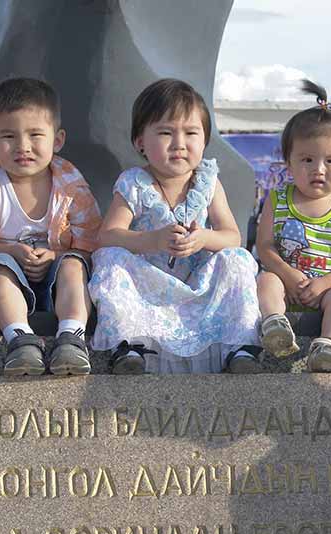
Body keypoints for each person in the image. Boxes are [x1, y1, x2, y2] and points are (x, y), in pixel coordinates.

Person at [89, 78, 261, 374]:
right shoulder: (134, 182)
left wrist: (204, 238)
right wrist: (152, 240)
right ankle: (129, 344)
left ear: (204, 140)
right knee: (110, 258)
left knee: (237, 259)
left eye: (191, 132)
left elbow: (233, 237)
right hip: (149, 288)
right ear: (140, 141)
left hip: (198, 286)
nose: (179, 143)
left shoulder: (208, 182)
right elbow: (107, 236)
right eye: (166, 133)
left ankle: (240, 346)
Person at [0, 77, 102, 376]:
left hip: (55, 281)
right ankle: (19, 339)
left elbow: (91, 247)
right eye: (9, 136)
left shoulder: (71, 185)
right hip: (3, 287)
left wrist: (55, 255)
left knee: (73, 265)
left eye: (35, 135)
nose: (23, 146)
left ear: (56, 140)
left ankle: (72, 336)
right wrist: (10, 250)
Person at [254, 80, 331, 372]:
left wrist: (326, 283)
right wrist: (288, 275)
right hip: (285, 285)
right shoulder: (276, 201)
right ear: (288, 164)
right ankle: (274, 323)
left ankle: (328, 345)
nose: (319, 169)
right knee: (265, 280)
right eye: (307, 159)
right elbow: (264, 247)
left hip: (326, 290)